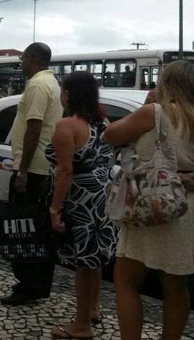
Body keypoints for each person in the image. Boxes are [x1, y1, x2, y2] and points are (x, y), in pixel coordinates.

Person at [104, 61, 194, 340]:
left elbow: (109, 135)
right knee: (175, 284)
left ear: (166, 83)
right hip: (185, 205)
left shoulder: (153, 112)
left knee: (126, 280)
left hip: (149, 199)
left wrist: (144, 106)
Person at [45, 71, 116, 339]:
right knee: (94, 259)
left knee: (83, 264)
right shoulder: (103, 122)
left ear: (69, 94)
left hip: (81, 201)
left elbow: (65, 171)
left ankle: (81, 325)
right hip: (102, 198)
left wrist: (55, 210)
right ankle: (94, 308)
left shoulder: (67, 126)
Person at [0, 42, 63, 306]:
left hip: (33, 168)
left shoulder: (37, 85)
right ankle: (34, 283)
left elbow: (33, 129)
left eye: (23, 58)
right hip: (42, 167)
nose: (21, 63)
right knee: (36, 228)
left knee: (23, 228)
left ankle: (29, 284)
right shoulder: (52, 82)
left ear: (32, 58)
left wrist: (22, 170)